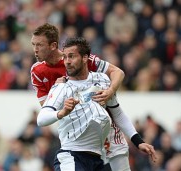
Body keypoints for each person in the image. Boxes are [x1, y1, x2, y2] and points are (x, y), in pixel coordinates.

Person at [30, 25, 156, 170]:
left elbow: (118, 73)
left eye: (39, 44)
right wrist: (62, 105)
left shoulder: (98, 75)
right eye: (33, 44)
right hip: (76, 135)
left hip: (107, 130)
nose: (35, 49)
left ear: (53, 45)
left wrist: (110, 91)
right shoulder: (45, 76)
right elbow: (46, 110)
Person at [37, 37, 114, 170]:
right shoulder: (61, 86)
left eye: (71, 57)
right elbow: (41, 118)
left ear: (85, 58)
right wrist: (61, 113)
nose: (67, 62)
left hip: (98, 158)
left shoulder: (102, 80)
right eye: (65, 57)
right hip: (71, 156)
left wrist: (137, 140)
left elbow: (117, 112)